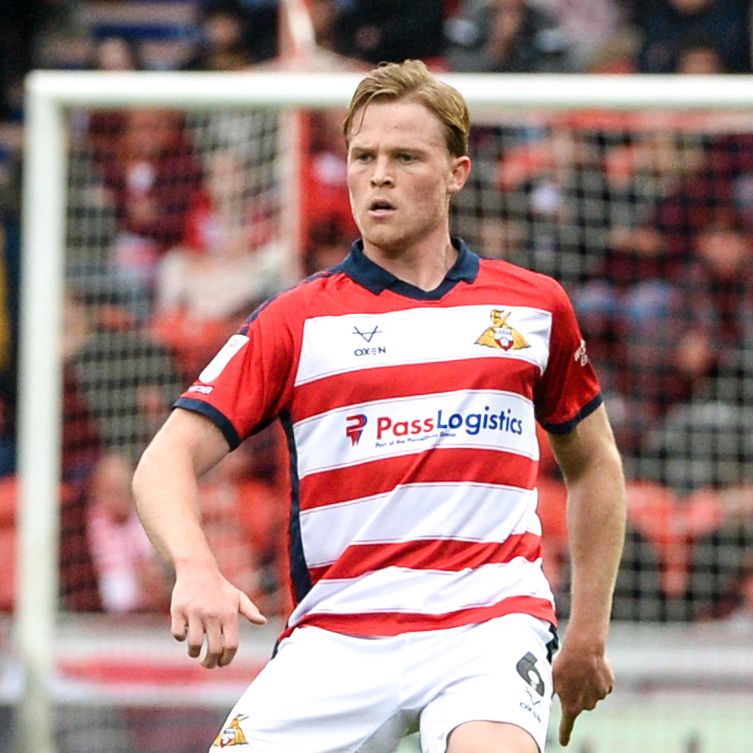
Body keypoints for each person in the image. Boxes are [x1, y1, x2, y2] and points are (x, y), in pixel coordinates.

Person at [132, 59, 626, 752]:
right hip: (337, 635)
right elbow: (164, 462)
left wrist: (587, 634)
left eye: (405, 157)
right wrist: (194, 566)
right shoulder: (296, 320)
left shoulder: (534, 307)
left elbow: (595, 463)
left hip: (487, 625)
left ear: (456, 173)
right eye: (363, 157)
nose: (379, 175)